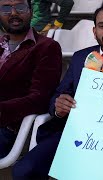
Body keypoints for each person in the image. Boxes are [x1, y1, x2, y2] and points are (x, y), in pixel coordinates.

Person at [12, 3, 103, 179]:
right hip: (76, 133)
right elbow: (58, 95)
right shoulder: (80, 57)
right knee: (24, 170)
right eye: (102, 26)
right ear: (94, 32)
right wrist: (59, 106)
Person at [0, 0, 62, 158]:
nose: (14, 13)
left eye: (20, 7)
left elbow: (39, 99)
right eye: (6, 8)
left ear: (31, 11)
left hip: (8, 126)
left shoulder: (46, 47)